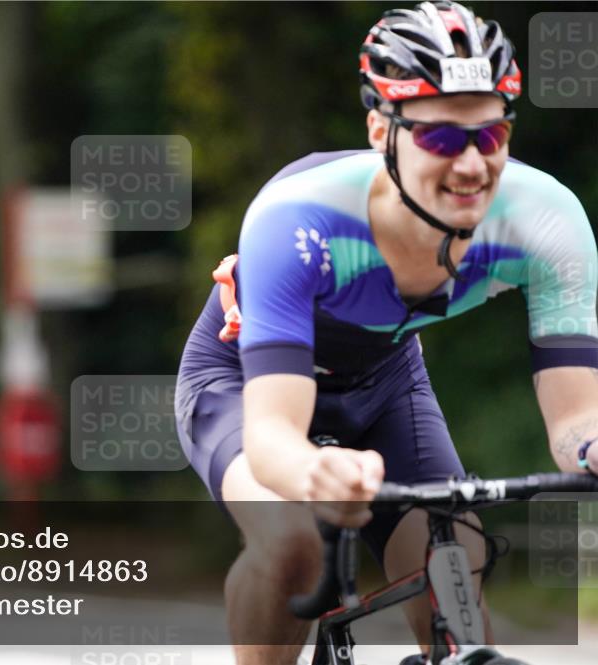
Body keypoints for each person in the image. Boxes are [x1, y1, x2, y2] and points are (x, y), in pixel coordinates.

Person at [174, 2, 598, 663]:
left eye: (489, 136)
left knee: (452, 565)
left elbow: (576, 418)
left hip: (385, 380)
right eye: (438, 137)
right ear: (381, 129)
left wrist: (593, 446)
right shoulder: (296, 219)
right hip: (244, 384)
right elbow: (274, 436)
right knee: (293, 545)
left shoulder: (544, 221)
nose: (469, 165)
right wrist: (317, 468)